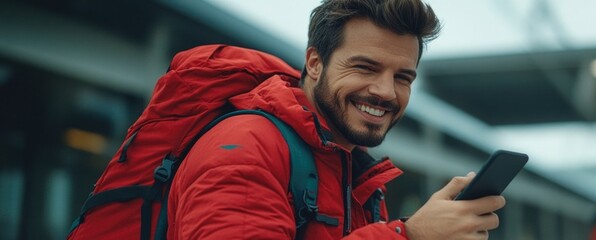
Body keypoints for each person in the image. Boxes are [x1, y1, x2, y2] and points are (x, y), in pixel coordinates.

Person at [166, 0, 506, 239]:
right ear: (314, 63)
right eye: (365, 67)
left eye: (403, 77)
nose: (386, 92)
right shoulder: (244, 147)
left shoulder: (356, 174)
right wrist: (410, 236)